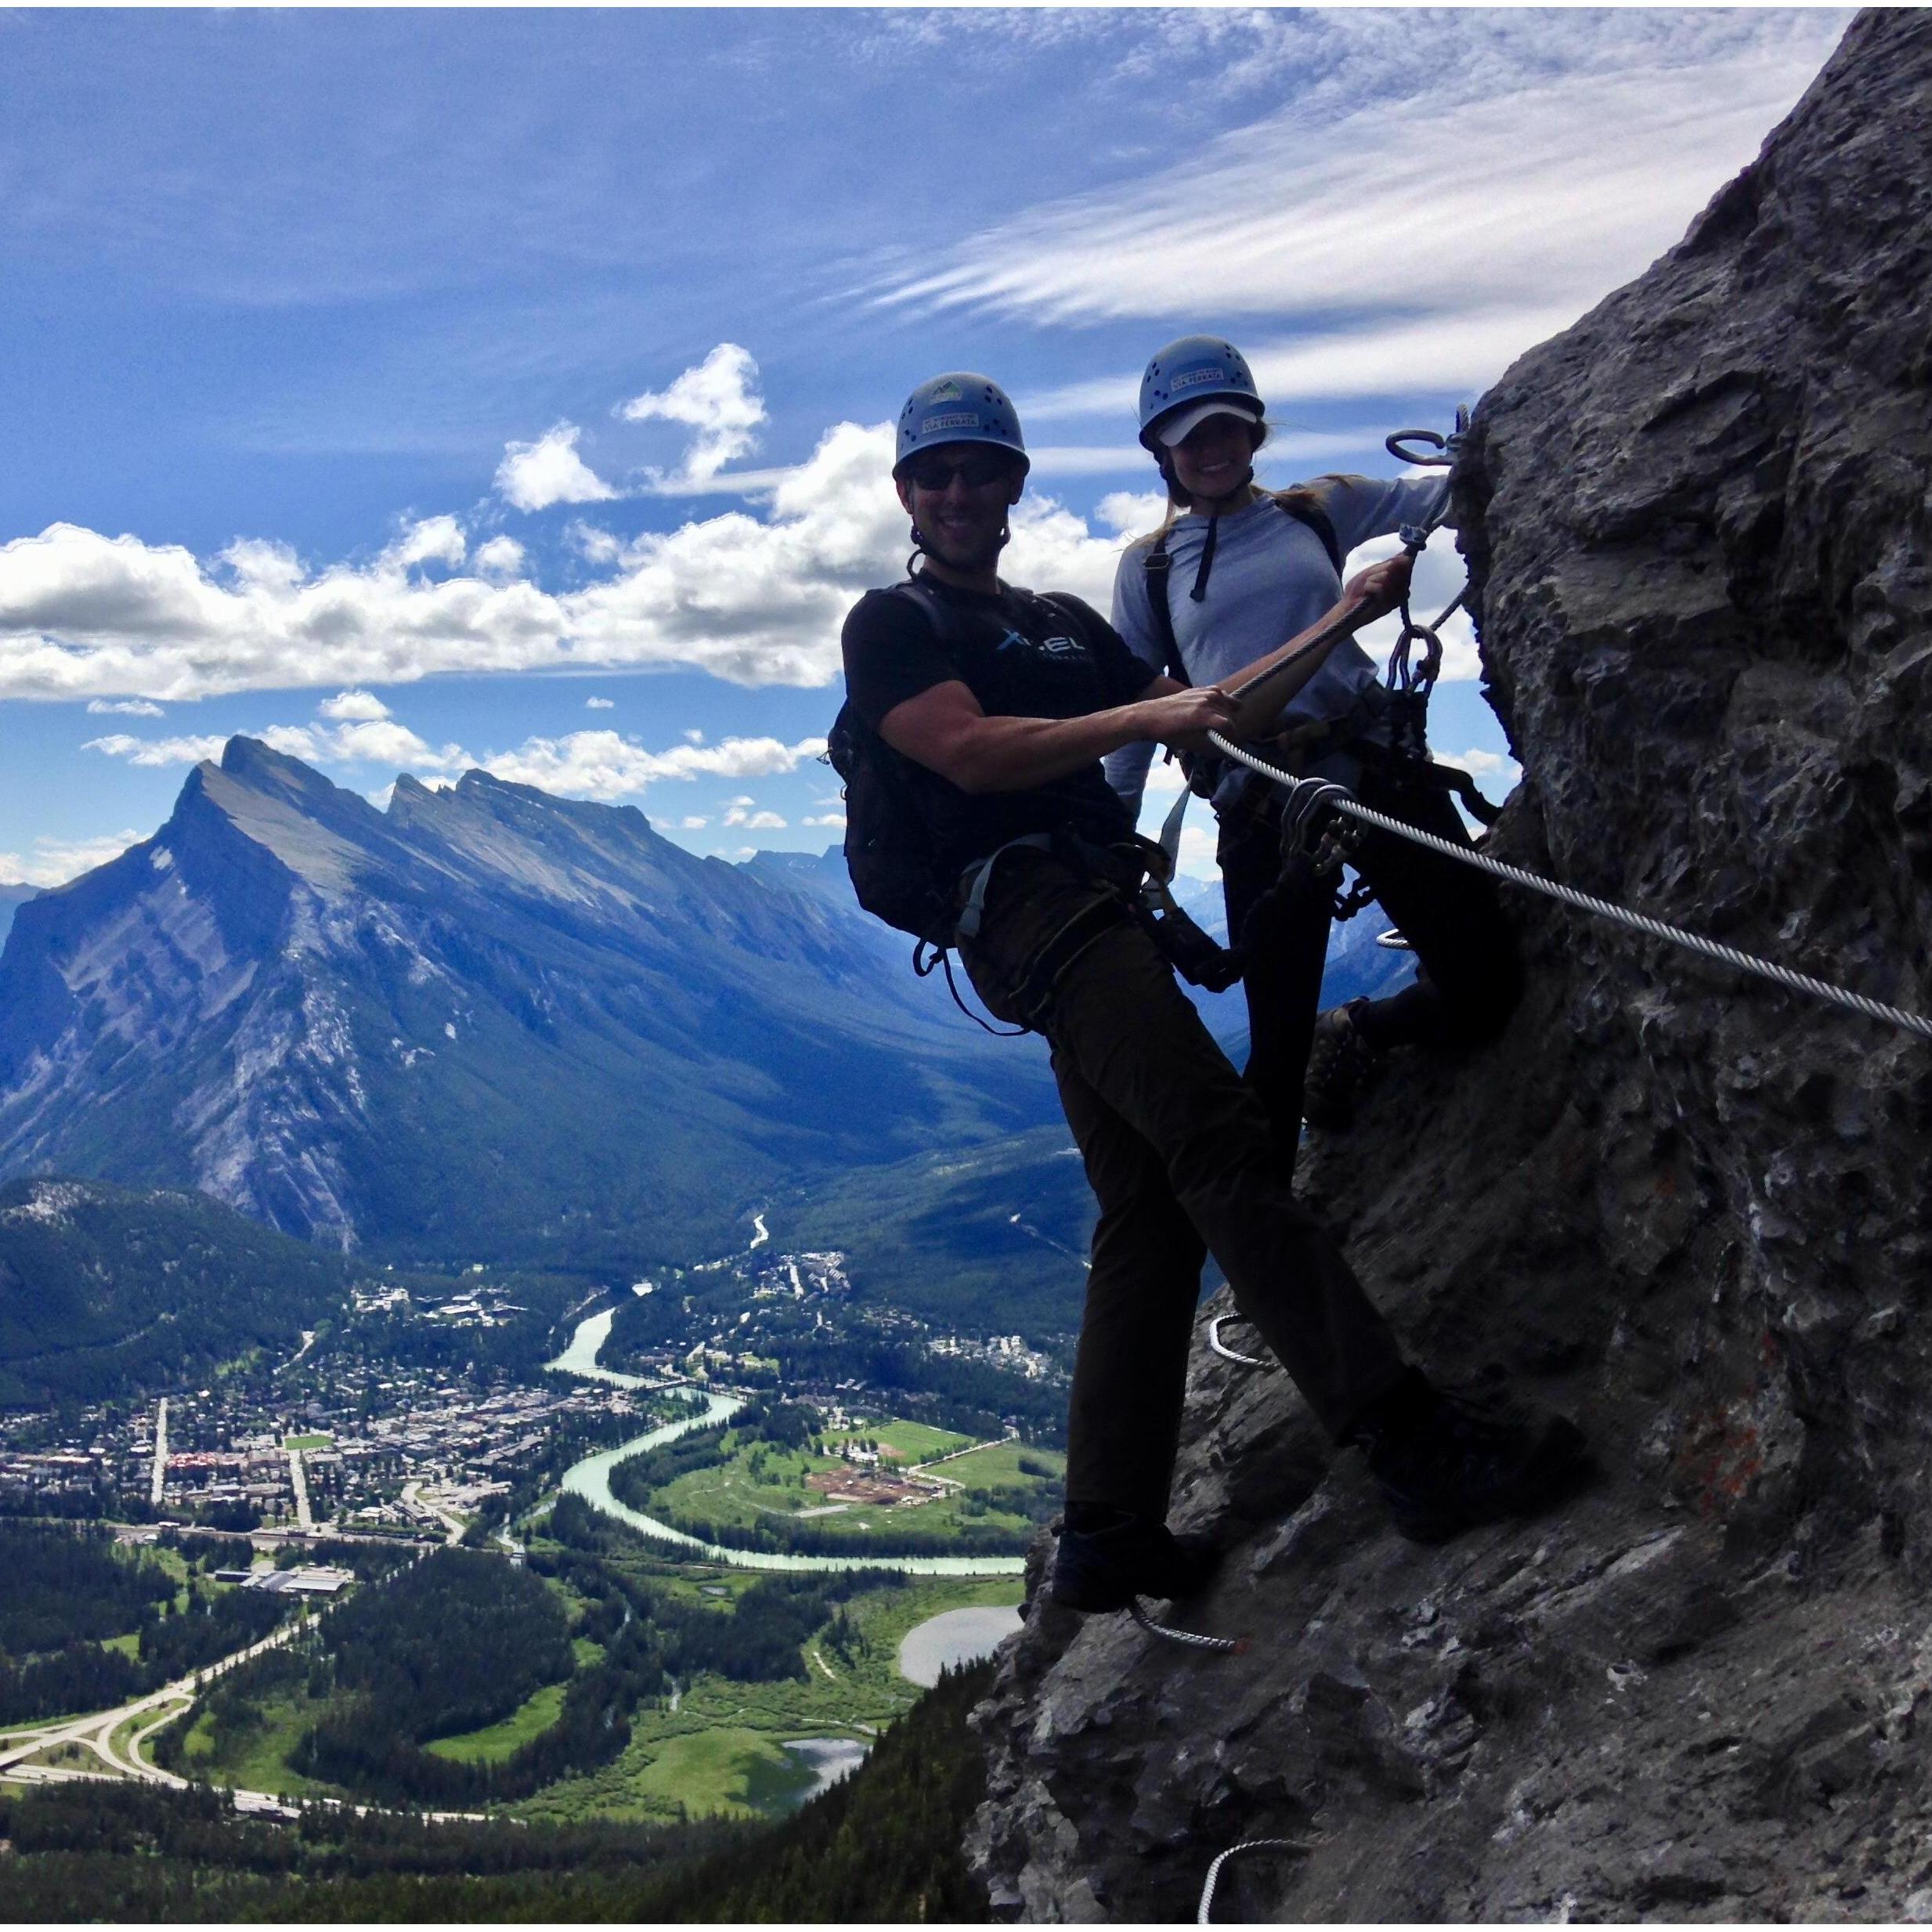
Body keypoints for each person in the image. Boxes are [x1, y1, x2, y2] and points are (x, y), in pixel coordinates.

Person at [835, 370, 1586, 1612]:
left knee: (1147, 1208)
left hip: (1091, 906)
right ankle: (1407, 1441)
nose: (958, 490)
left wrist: (1340, 619)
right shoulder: (895, 623)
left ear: (1015, 482)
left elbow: (1209, 714)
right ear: (909, 494)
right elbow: (962, 752)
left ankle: (1105, 1532)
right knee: (1221, 1140)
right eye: (936, 473)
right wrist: (1144, 707)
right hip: (1030, 907)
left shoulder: (1065, 624)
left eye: (980, 467)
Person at [1104, 335, 1523, 1169]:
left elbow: (1432, 497)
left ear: (1252, 433)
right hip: (1260, 802)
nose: (1211, 449)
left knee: (1485, 984)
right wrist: (1116, 829)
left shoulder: (1312, 510)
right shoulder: (1148, 568)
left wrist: (1503, 438)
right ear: (1162, 452)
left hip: (1368, 761)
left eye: (1225, 428)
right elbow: (1132, 710)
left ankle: (1366, 1028)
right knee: (1277, 1046)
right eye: (1190, 437)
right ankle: (1278, 1263)